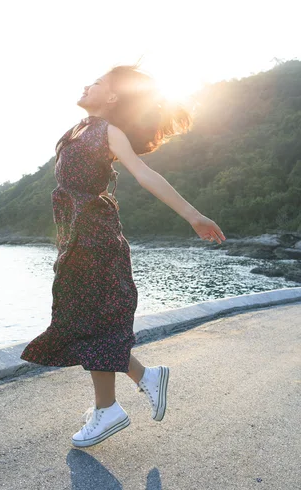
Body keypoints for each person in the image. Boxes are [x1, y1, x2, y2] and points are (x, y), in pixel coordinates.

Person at [20, 63, 226, 448]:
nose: (86, 84)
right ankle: (145, 380)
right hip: (78, 239)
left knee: (92, 322)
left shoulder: (108, 131)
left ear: (112, 97)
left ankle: (108, 409)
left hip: (95, 240)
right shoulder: (77, 130)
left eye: (96, 82)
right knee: (85, 321)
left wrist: (195, 216)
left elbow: (146, 174)